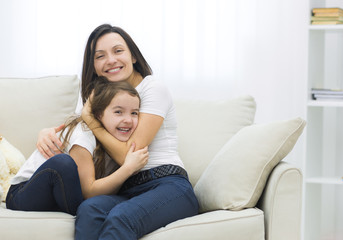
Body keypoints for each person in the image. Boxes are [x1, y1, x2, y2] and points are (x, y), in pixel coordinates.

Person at [36, 23, 199, 240]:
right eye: (100, 56)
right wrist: (46, 132)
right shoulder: (98, 99)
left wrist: (92, 121)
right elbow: (74, 129)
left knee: (121, 218)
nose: (110, 60)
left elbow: (127, 155)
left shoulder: (152, 88)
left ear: (133, 56)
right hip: (127, 190)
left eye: (118, 51)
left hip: (169, 185)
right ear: (93, 66)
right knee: (89, 209)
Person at [6, 78, 148, 216]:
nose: (128, 120)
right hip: (21, 194)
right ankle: (86, 213)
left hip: (58, 195)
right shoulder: (84, 135)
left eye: (134, 113)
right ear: (98, 115)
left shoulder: (119, 142)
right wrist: (128, 168)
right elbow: (89, 191)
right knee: (63, 163)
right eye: (118, 112)